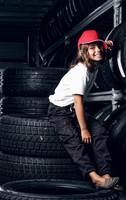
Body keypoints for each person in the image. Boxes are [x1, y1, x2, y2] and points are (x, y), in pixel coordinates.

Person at [48, 30, 119, 189]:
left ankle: (105, 174)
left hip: (73, 109)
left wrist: (107, 45)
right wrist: (84, 129)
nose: (98, 50)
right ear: (84, 52)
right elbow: (78, 101)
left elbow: (103, 49)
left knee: (100, 132)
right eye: (92, 48)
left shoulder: (95, 61)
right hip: (60, 111)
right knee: (75, 141)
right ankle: (94, 177)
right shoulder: (81, 72)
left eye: (99, 47)